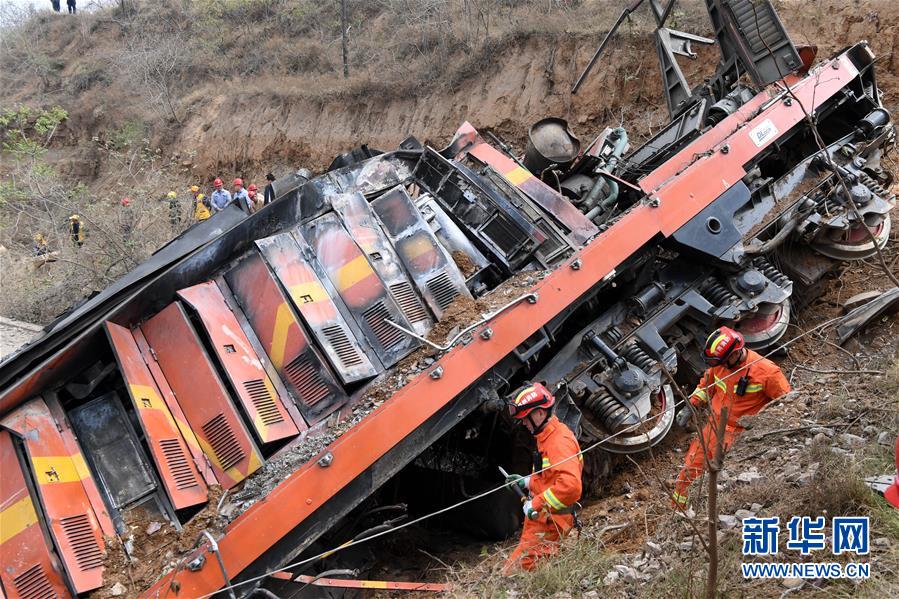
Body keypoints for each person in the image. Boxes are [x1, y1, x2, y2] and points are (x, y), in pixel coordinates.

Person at [671, 326, 791, 509]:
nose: (718, 365)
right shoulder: (719, 365)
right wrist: (692, 404)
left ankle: (708, 514)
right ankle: (677, 513)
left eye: (722, 361)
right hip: (714, 427)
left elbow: (787, 405)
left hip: (741, 436)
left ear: (735, 354)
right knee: (691, 469)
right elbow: (706, 384)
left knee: (724, 482)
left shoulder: (767, 372)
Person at [502, 383, 583, 575]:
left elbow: (571, 487)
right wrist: (528, 482)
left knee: (515, 574)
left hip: (550, 522)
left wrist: (535, 504)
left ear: (539, 413)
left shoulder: (558, 442)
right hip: (544, 519)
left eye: (525, 418)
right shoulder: (546, 436)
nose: (524, 423)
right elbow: (551, 477)